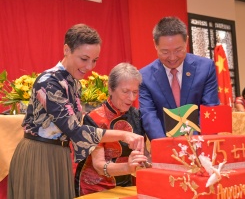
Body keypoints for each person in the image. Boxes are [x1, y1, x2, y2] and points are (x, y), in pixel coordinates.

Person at [7, 24, 145, 199]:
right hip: (40, 154)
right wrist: (123, 135)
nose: (90, 67)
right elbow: (74, 130)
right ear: (66, 49)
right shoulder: (49, 82)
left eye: (94, 60)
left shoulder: (74, 84)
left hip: (60, 155)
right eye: (84, 59)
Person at [139, 16, 220, 140]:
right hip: (165, 144)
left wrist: (193, 144)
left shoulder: (206, 68)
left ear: (186, 41)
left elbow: (209, 109)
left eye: (178, 50)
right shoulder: (145, 76)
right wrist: (164, 146)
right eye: (165, 52)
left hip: (200, 143)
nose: (172, 58)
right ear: (155, 44)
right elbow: (149, 115)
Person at [75, 63, 146, 196]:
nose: (131, 98)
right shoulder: (94, 118)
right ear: (111, 89)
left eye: (135, 92)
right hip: (96, 188)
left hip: (127, 186)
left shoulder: (136, 115)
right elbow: (99, 166)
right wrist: (127, 167)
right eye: (125, 91)